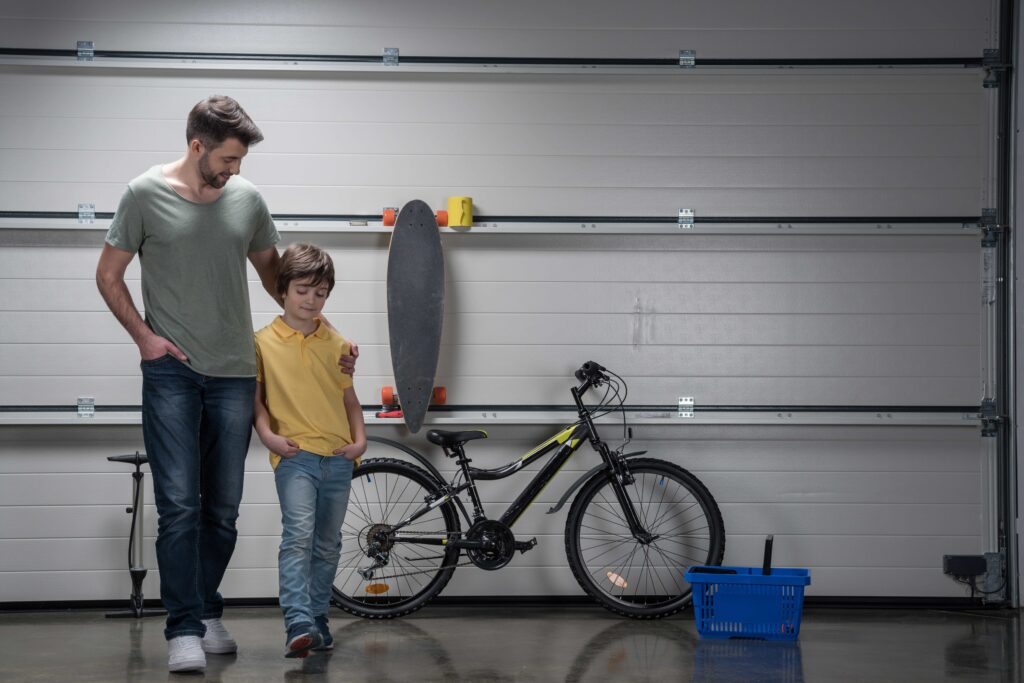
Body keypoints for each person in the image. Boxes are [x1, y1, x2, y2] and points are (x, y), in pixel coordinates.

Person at [94, 96, 357, 673]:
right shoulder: (143, 195)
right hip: (172, 373)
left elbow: (278, 282)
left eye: (240, 160)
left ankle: (208, 610)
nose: (235, 170)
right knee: (181, 505)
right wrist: (145, 339)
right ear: (197, 146)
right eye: (229, 158)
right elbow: (108, 276)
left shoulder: (247, 200)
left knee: (223, 509)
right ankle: (183, 627)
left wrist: (331, 337)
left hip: (236, 373)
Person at [253, 243, 366, 658]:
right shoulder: (261, 342)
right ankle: (297, 621)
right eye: (303, 290)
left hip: (338, 457)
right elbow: (257, 401)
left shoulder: (335, 343)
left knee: (329, 543)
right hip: (294, 456)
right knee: (298, 537)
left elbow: (350, 400)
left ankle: (318, 619)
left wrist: (360, 441)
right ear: (282, 289)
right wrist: (268, 437)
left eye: (320, 293)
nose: (311, 300)